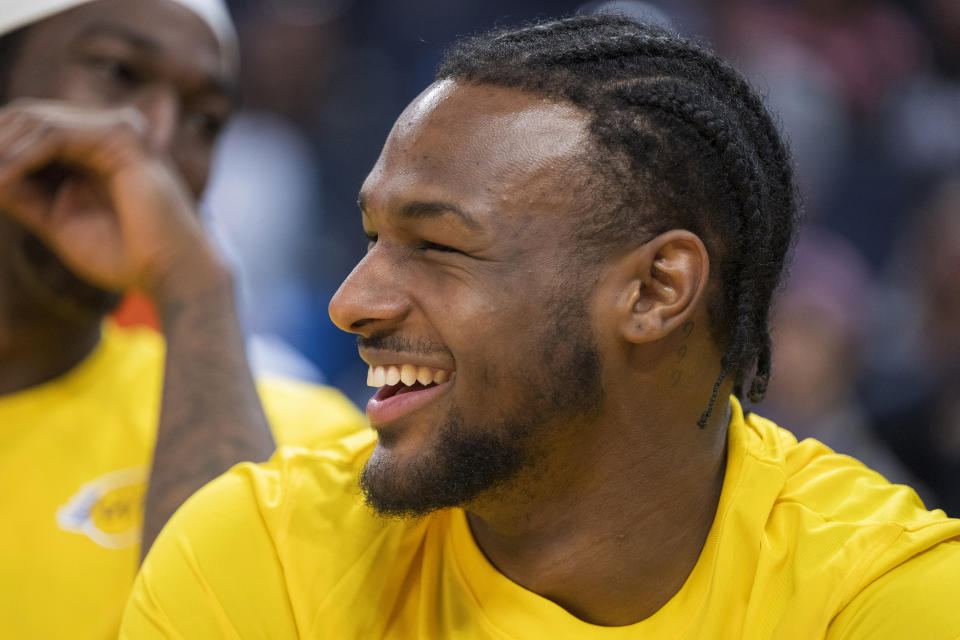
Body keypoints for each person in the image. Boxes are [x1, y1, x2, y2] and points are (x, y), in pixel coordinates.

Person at [59, 13, 960, 638]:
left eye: (438, 247)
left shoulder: (881, 602)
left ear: (656, 291)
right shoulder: (262, 550)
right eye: (375, 236)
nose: (352, 302)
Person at [0, 1, 365, 637]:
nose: (157, 138)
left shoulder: (308, 441)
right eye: (117, 72)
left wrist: (196, 288)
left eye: (208, 121)